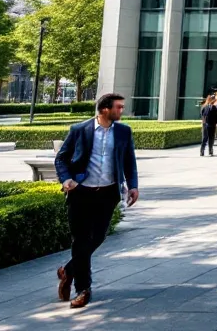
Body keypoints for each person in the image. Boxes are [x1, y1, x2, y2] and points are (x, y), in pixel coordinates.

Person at [54, 93, 139, 309]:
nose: (122, 111)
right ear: (104, 110)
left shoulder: (123, 131)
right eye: (118, 107)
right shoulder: (79, 130)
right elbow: (61, 158)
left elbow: (129, 160)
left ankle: (68, 270)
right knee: (81, 240)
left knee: (98, 237)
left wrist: (133, 185)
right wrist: (66, 180)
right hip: (81, 192)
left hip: (107, 193)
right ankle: (83, 289)